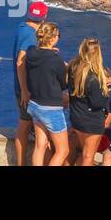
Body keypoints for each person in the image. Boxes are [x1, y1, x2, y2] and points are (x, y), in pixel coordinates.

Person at [22, 21, 69, 166]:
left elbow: (38, 55)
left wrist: (51, 52)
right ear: (53, 38)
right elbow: (64, 84)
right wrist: (65, 67)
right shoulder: (56, 60)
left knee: (40, 145)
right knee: (63, 151)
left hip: (35, 104)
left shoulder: (30, 55)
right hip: (51, 109)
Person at [67, 37, 111, 166]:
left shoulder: (73, 68)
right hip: (91, 121)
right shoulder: (95, 77)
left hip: (76, 118)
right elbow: (97, 103)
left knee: (84, 153)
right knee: (88, 157)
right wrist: (106, 91)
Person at [11, 1, 46, 166]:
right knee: (25, 127)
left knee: (25, 126)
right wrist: (25, 90)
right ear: (44, 17)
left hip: (22, 87)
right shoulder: (32, 35)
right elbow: (20, 62)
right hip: (28, 90)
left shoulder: (21, 27)